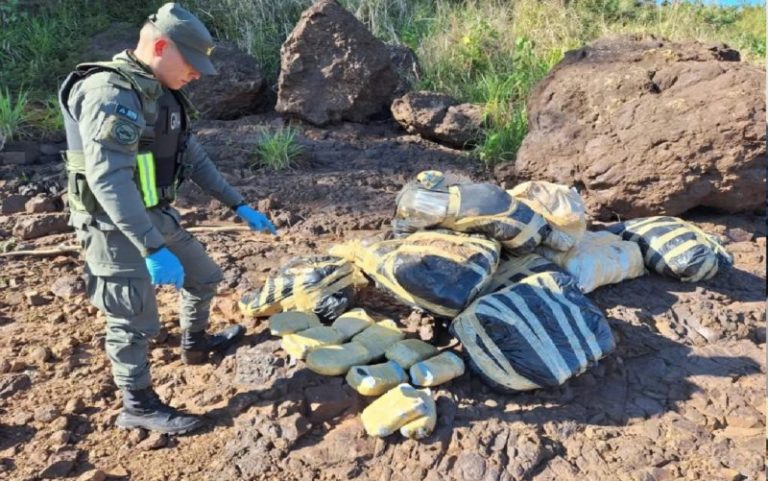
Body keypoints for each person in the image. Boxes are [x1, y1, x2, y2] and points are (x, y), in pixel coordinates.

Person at [58, 2, 276, 435]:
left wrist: (237, 204)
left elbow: (191, 155)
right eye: (190, 64)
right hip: (112, 225)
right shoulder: (109, 93)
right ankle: (136, 404)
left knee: (204, 276)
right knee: (134, 320)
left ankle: (195, 344)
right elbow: (109, 180)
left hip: (152, 214)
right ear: (159, 46)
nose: (196, 74)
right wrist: (151, 246)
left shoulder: (160, 92)